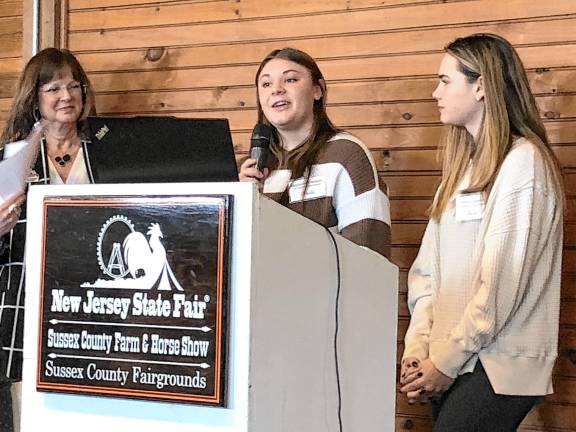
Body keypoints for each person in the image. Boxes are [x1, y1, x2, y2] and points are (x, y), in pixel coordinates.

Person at [399, 34, 564, 431]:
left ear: (481, 85)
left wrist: (446, 360)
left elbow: (499, 287)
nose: (434, 91)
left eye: (444, 80)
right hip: (453, 362)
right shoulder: (458, 174)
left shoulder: (523, 164)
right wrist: (419, 351)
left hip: (496, 365)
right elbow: (427, 276)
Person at [0, 47, 96, 432]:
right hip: (25, 301)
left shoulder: (105, 153)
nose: (67, 96)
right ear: (34, 97)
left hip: (93, 299)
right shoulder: (11, 159)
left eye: (75, 86)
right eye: (54, 87)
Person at [239, 47, 391, 257]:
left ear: (317, 90)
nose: (276, 89)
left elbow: (369, 253)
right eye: (266, 84)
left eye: (290, 80)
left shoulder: (346, 154)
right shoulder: (248, 169)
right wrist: (240, 200)